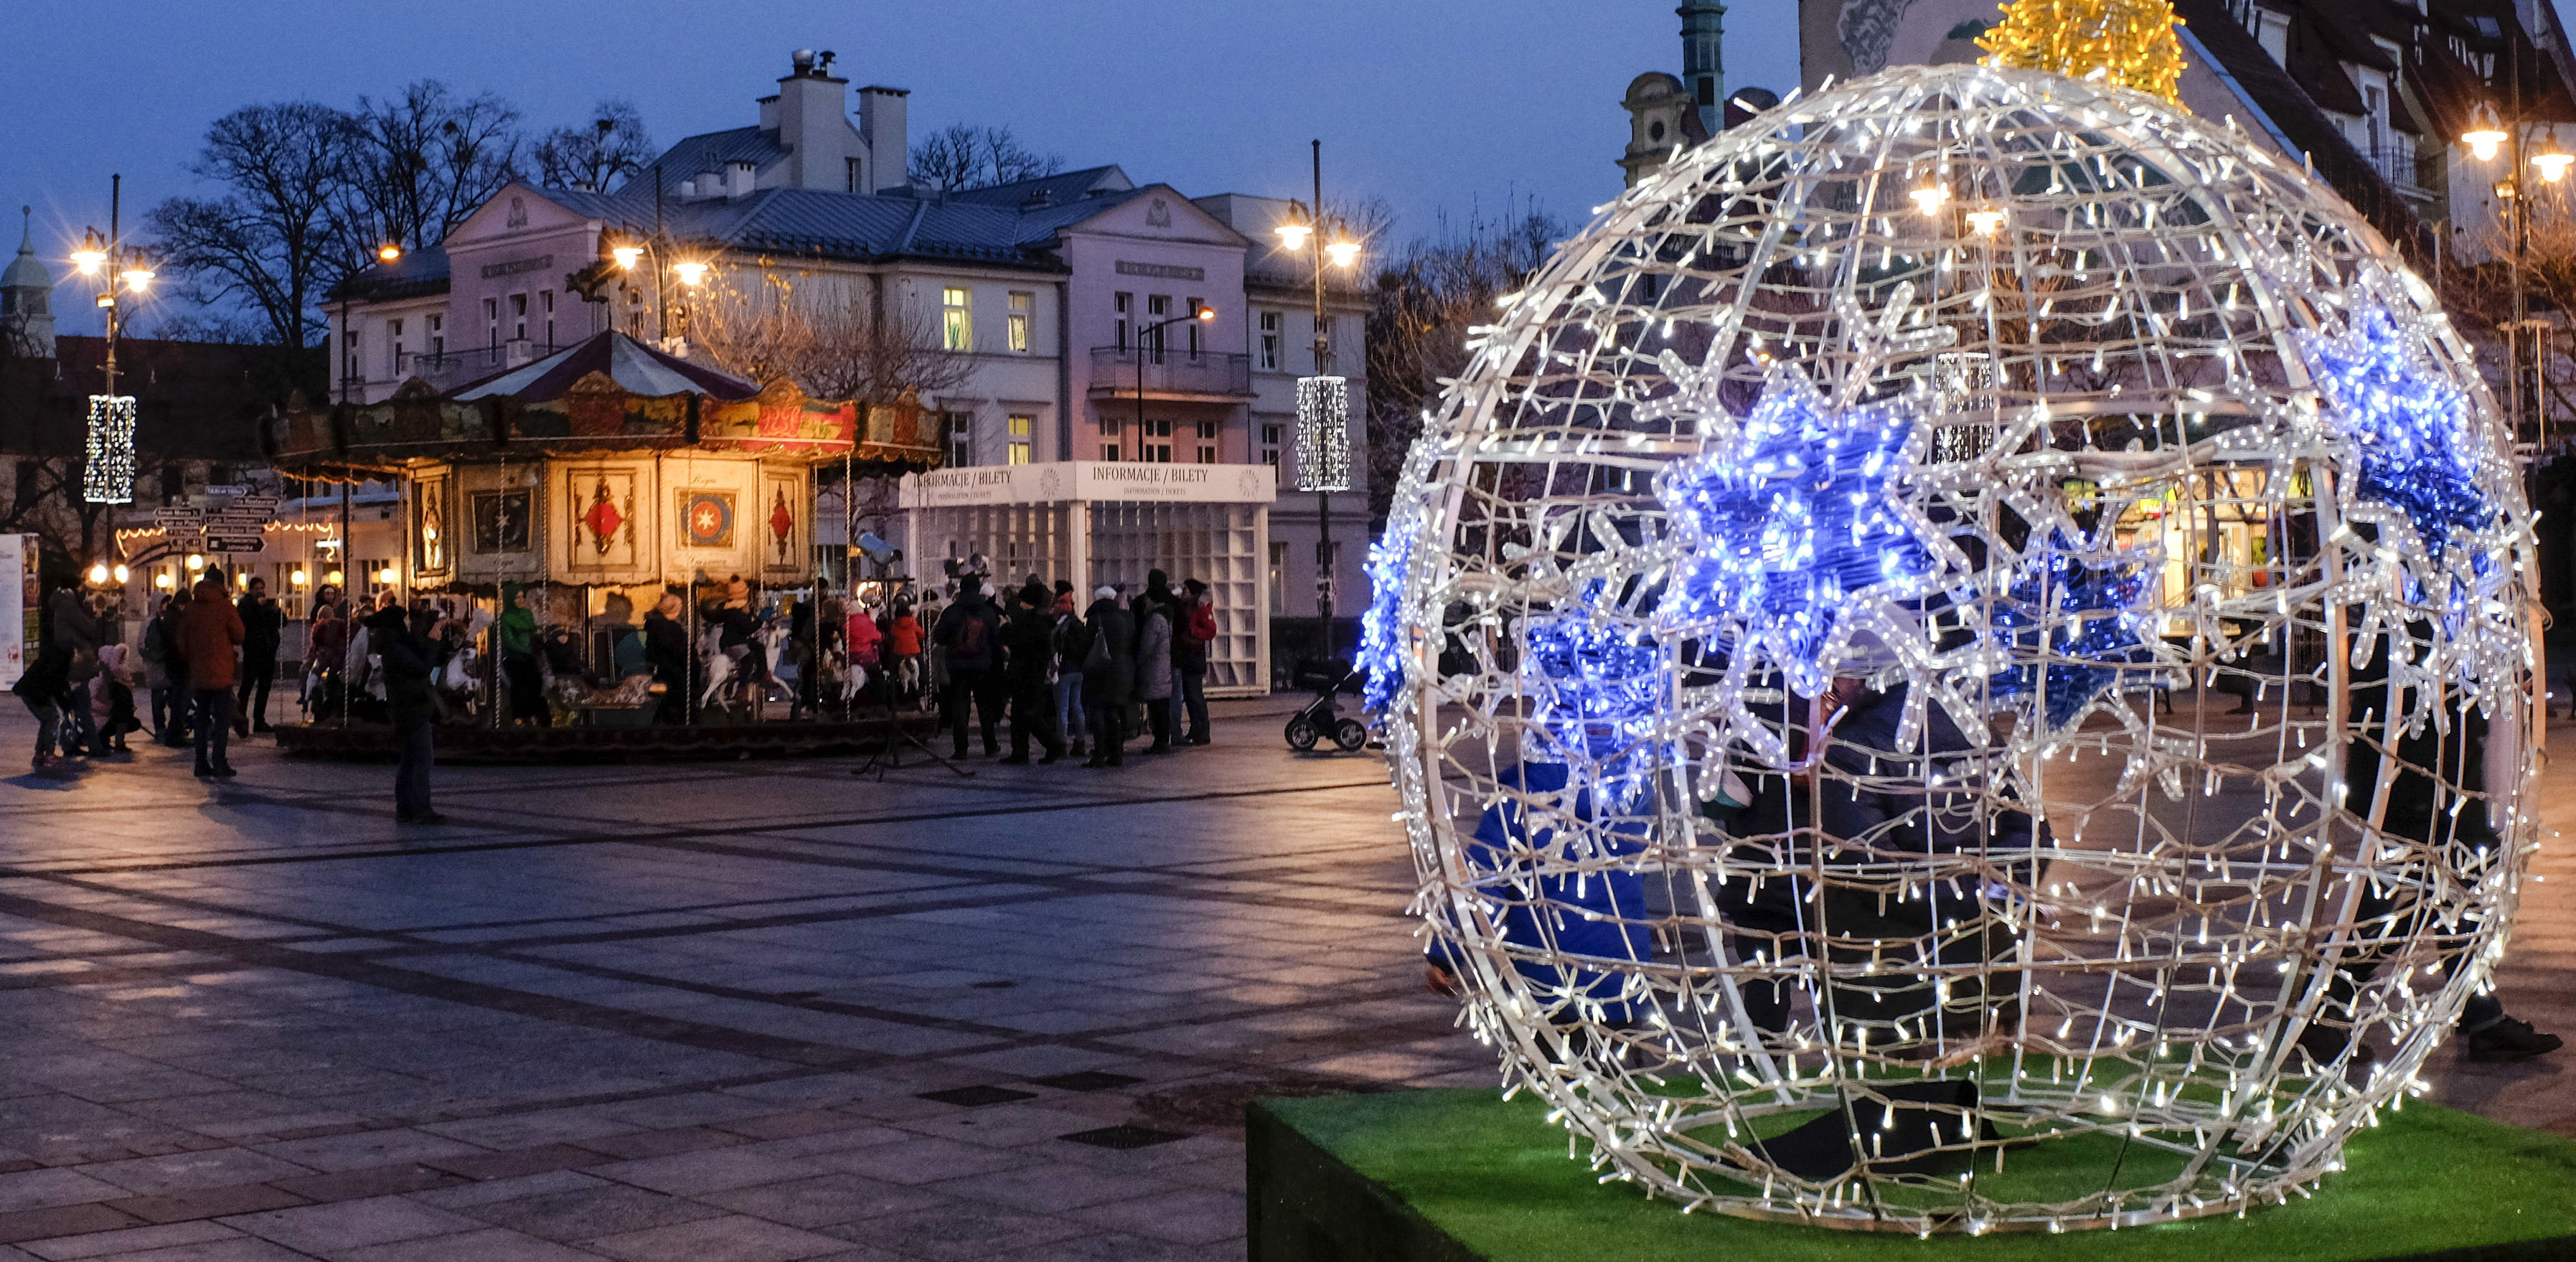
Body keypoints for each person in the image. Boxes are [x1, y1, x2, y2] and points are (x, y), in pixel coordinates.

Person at [371, 601, 443, 824]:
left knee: (410, 759)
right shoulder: (395, 647)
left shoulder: (394, 644)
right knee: (422, 759)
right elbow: (422, 667)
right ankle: (420, 809)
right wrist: (433, 643)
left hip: (406, 706)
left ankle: (406, 807)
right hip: (412, 706)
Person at [179, 575, 245, 778]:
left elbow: (181, 639)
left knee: (201, 719)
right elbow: (239, 634)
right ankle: (219, 762)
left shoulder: (191, 608)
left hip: (199, 672)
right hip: (221, 671)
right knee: (222, 719)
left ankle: (200, 763)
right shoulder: (225, 606)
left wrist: (193, 658)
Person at [932, 582, 1005, 757]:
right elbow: (996, 639)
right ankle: (990, 745)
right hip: (982, 666)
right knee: (984, 707)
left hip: (958, 666)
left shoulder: (952, 612)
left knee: (960, 706)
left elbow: (940, 637)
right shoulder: (987, 611)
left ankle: (961, 748)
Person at [998, 580, 1066, 764]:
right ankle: (1021, 752)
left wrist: (1005, 627)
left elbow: (1018, 642)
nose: (1020, 604)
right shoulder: (1043, 620)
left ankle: (1052, 745)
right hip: (1034, 673)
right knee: (1022, 715)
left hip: (1026, 674)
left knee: (1028, 714)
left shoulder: (1032, 621)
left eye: (1023, 601)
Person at [1082, 586, 1135, 768]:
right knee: (1113, 714)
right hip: (1120, 672)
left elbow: (1086, 645)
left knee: (1097, 712)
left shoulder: (1095, 619)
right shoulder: (1125, 618)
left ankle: (1099, 754)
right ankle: (1116, 754)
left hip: (1100, 671)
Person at [48, 585, 103, 756]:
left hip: (66, 665)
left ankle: (69, 745)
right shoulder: (69, 607)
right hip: (77, 664)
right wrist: (96, 617)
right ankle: (95, 747)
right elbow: (89, 629)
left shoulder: (58, 609)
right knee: (83, 707)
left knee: (69, 709)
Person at [12, 639, 77, 773]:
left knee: (47, 720)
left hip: (32, 691)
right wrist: (66, 706)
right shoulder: (58, 663)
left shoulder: (57, 660)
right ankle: (49, 755)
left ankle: (40, 754)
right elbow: (56, 686)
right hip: (34, 693)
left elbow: (61, 684)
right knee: (52, 718)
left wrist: (67, 701)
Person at [234, 576, 284, 735]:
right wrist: (258, 606)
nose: (260, 591)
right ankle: (241, 720)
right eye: (257, 588)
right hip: (253, 652)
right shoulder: (246, 604)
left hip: (268, 652)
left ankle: (259, 720)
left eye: (262, 587)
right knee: (247, 687)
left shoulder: (267, 606)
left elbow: (282, 622)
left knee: (264, 687)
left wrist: (275, 610)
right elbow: (244, 620)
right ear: (251, 590)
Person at [496, 581, 547, 726]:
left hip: (529, 655)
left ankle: (532, 713)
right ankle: (518, 715)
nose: (520, 601)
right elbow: (509, 640)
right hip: (514, 657)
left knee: (536, 682)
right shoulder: (505, 618)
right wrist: (525, 649)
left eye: (521, 597)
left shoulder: (526, 614)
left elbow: (532, 632)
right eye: (517, 598)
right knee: (519, 684)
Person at [1132, 583, 1175, 754]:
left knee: (1157, 708)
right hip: (1163, 667)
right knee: (1162, 706)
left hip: (1154, 669)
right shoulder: (1166, 616)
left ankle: (1161, 742)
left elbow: (1147, 646)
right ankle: (1164, 740)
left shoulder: (1155, 619)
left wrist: (1139, 660)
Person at [143, 590, 189, 746]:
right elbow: (142, 645)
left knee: (171, 696)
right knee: (158, 698)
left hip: (165, 665)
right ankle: (161, 728)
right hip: (155, 666)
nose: (166, 606)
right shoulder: (151, 622)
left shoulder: (163, 620)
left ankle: (171, 728)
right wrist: (155, 656)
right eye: (163, 602)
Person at [1050, 585, 1091, 761]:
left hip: (1064, 671)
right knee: (1078, 707)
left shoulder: (1060, 627)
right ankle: (1080, 743)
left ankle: (1061, 745)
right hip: (1079, 671)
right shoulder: (1079, 624)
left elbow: (1057, 648)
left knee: (1062, 710)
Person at [1177, 577, 1216, 745]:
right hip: (1187, 655)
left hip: (1194, 656)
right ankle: (1196, 728)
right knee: (1190, 695)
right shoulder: (1187, 606)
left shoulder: (1200, 608)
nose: (1182, 591)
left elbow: (1211, 630)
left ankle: (1203, 730)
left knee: (1195, 695)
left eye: (1185, 589)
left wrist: (1194, 632)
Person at [643, 591, 690, 722]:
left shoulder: (654, 624)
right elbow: (679, 651)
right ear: (674, 610)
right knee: (683, 691)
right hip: (669, 669)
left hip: (660, 667)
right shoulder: (669, 628)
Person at [92, 641, 141, 753]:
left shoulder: (115, 683)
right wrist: (108, 709)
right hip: (97, 719)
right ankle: (114, 742)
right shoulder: (97, 681)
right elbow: (90, 702)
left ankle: (115, 741)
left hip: (106, 718)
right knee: (123, 716)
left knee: (127, 718)